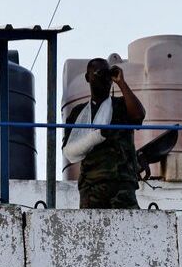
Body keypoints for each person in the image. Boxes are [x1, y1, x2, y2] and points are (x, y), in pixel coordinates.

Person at [62, 58, 147, 209]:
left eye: (107, 74)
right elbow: (69, 151)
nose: (104, 79)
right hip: (92, 186)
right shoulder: (78, 113)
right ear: (88, 78)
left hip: (122, 184)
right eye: (98, 73)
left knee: (130, 230)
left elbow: (138, 115)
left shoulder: (121, 105)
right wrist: (97, 136)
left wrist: (121, 82)